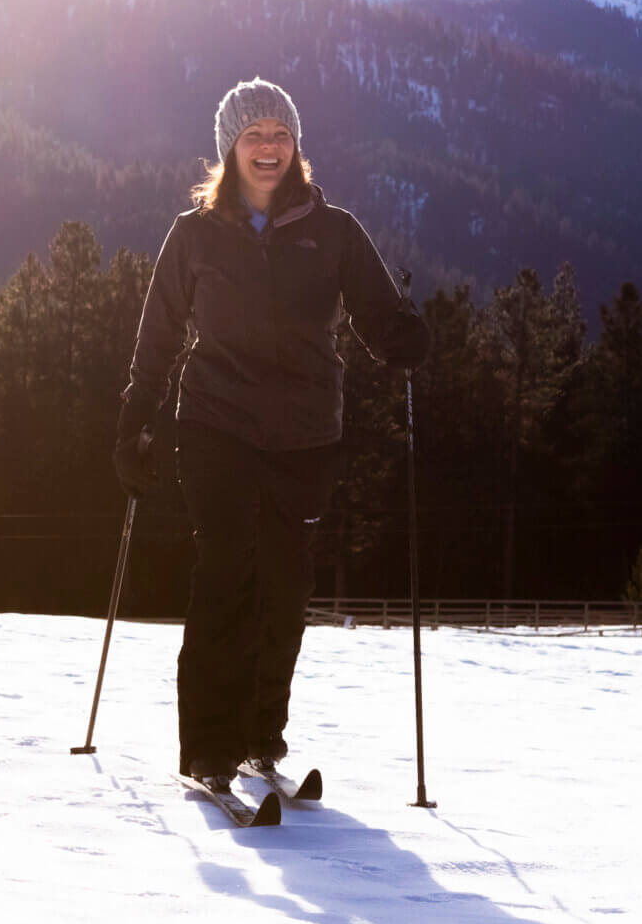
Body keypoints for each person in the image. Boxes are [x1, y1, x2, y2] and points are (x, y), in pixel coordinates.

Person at [113, 78, 430, 785]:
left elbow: (379, 316)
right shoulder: (193, 234)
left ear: (296, 147)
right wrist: (136, 418)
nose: (268, 147)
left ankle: (262, 736)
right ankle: (207, 746)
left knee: (285, 591)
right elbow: (158, 335)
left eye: (280, 135)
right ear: (230, 146)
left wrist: (406, 336)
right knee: (227, 574)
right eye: (254, 134)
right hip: (214, 424)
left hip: (305, 432)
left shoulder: (334, 230)